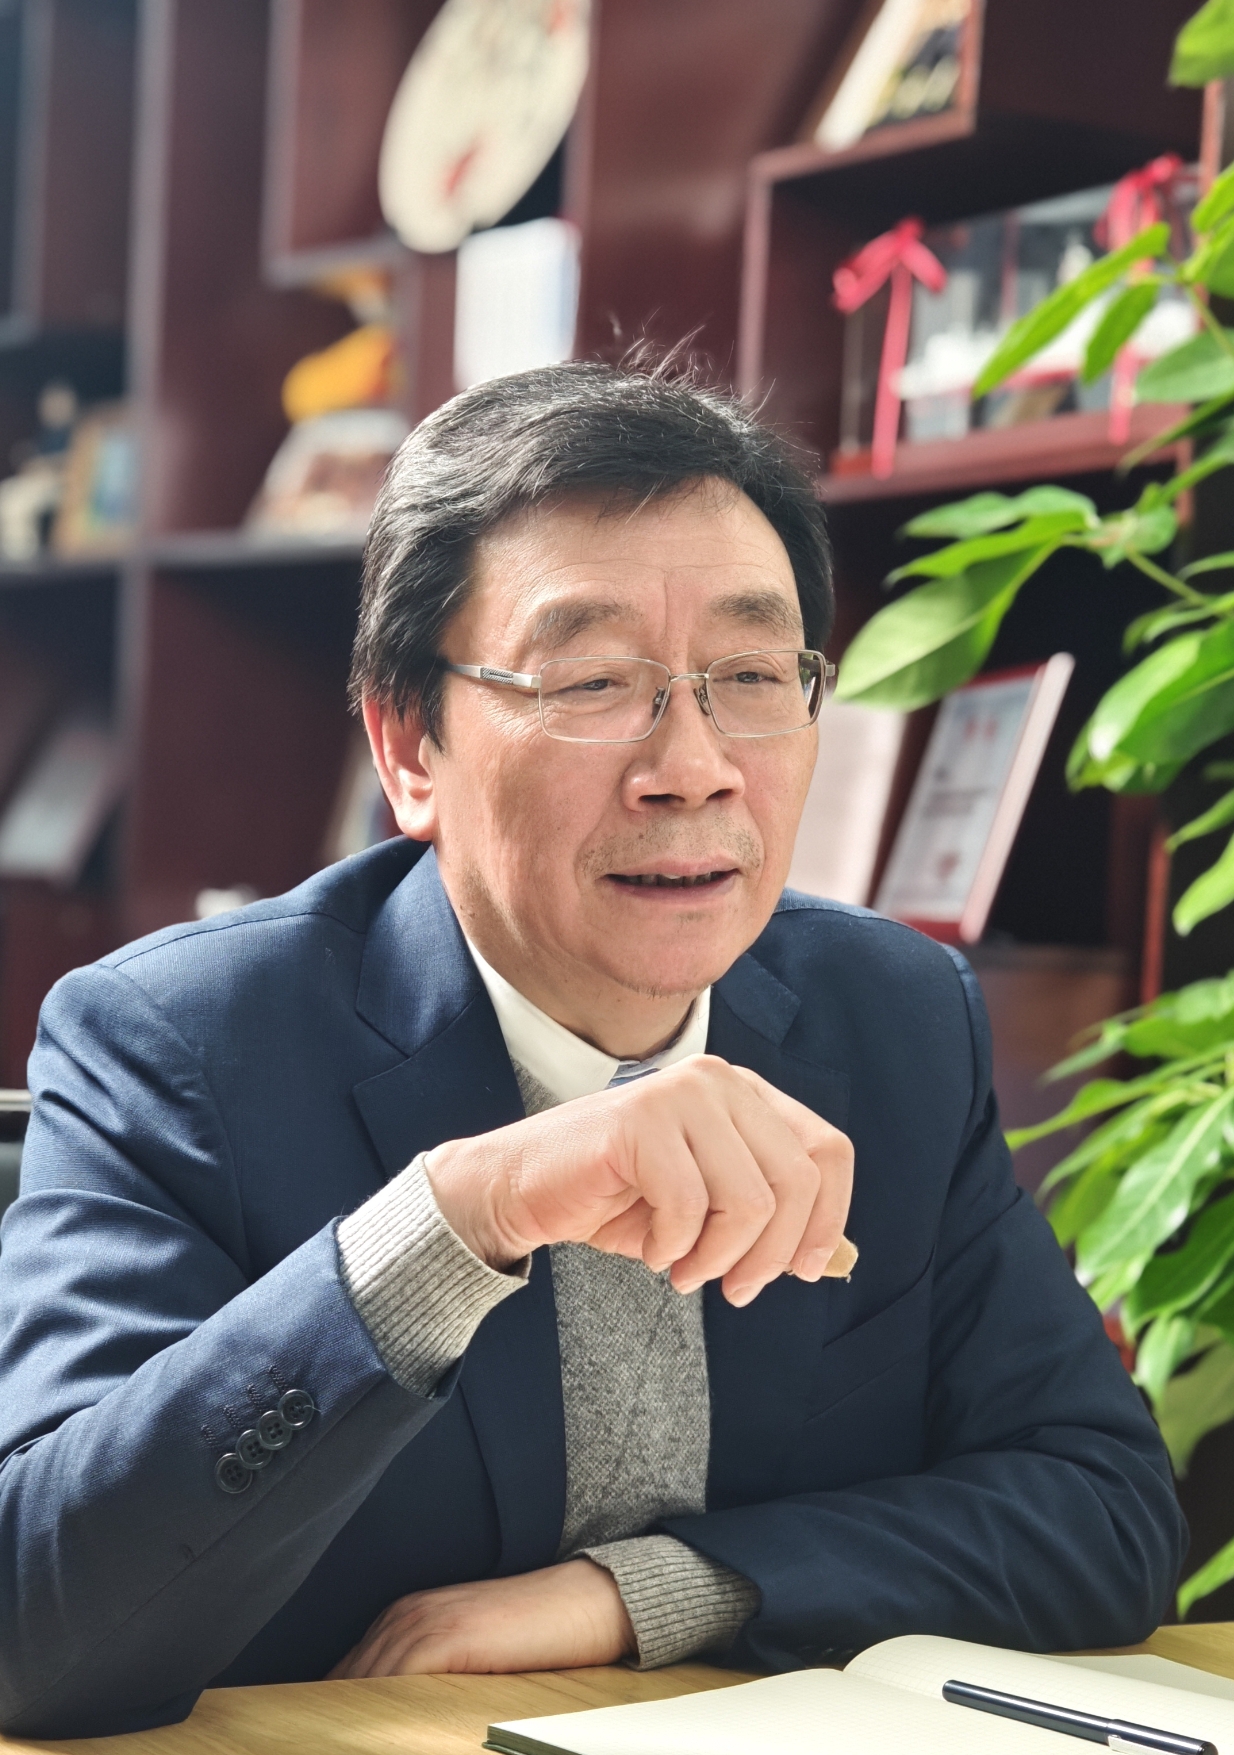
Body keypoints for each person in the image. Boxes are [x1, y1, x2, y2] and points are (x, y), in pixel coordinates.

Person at [0, 362, 1184, 1740]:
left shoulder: (895, 1014)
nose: (692, 767)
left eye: (752, 677)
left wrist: (645, 1592)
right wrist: (460, 1220)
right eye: (592, 682)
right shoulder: (182, 1045)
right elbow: (35, 1631)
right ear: (410, 746)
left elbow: (1100, 1507)